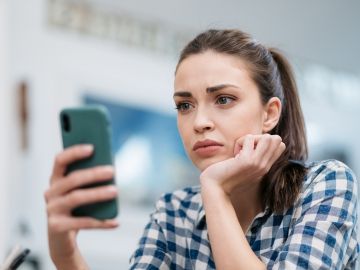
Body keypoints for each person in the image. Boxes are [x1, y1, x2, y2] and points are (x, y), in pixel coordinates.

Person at [44, 29, 359, 269]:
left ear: (270, 114)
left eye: (223, 99)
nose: (199, 122)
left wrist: (214, 189)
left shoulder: (327, 184)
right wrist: (64, 251)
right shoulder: (174, 211)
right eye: (184, 105)